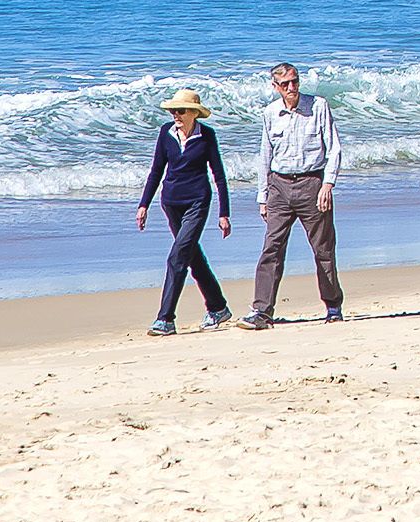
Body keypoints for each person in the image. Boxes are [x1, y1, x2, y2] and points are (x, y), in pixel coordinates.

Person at [242, 61, 344, 326]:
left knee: (323, 249)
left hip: (312, 184)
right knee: (271, 249)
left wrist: (327, 184)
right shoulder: (270, 113)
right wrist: (262, 196)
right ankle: (262, 311)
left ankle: (333, 306)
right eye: (285, 84)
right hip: (279, 187)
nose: (291, 87)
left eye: (295, 81)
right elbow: (265, 156)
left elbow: (334, 149)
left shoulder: (318, 106)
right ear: (275, 87)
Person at [134, 90, 235, 334]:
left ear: (194, 113)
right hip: (170, 203)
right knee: (191, 256)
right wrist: (143, 204)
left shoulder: (207, 136)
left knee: (177, 257)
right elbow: (156, 170)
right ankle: (218, 307)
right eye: (173, 111)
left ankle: (165, 319)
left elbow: (219, 175)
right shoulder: (166, 133)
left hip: (197, 202)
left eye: (180, 111)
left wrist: (224, 213)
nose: (175, 115)